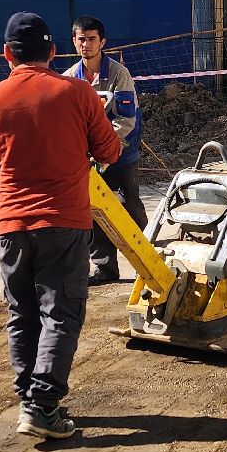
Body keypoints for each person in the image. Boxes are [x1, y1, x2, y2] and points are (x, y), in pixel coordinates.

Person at [0, 11, 124, 441]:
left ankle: (30, 400)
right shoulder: (77, 93)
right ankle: (42, 405)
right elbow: (111, 151)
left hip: (12, 223)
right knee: (60, 312)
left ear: (7, 53)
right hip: (63, 220)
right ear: (55, 51)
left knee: (21, 312)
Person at [64, 15, 146, 285]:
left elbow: (125, 120)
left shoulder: (119, 75)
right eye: (81, 39)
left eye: (91, 39)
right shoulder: (69, 80)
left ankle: (148, 259)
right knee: (94, 210)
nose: (86, 44)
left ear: (102, 42)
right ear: (74, 42)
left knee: (128, 206)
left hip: (121, 153)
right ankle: (105, 269)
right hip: (88, 160)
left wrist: (105, 149)